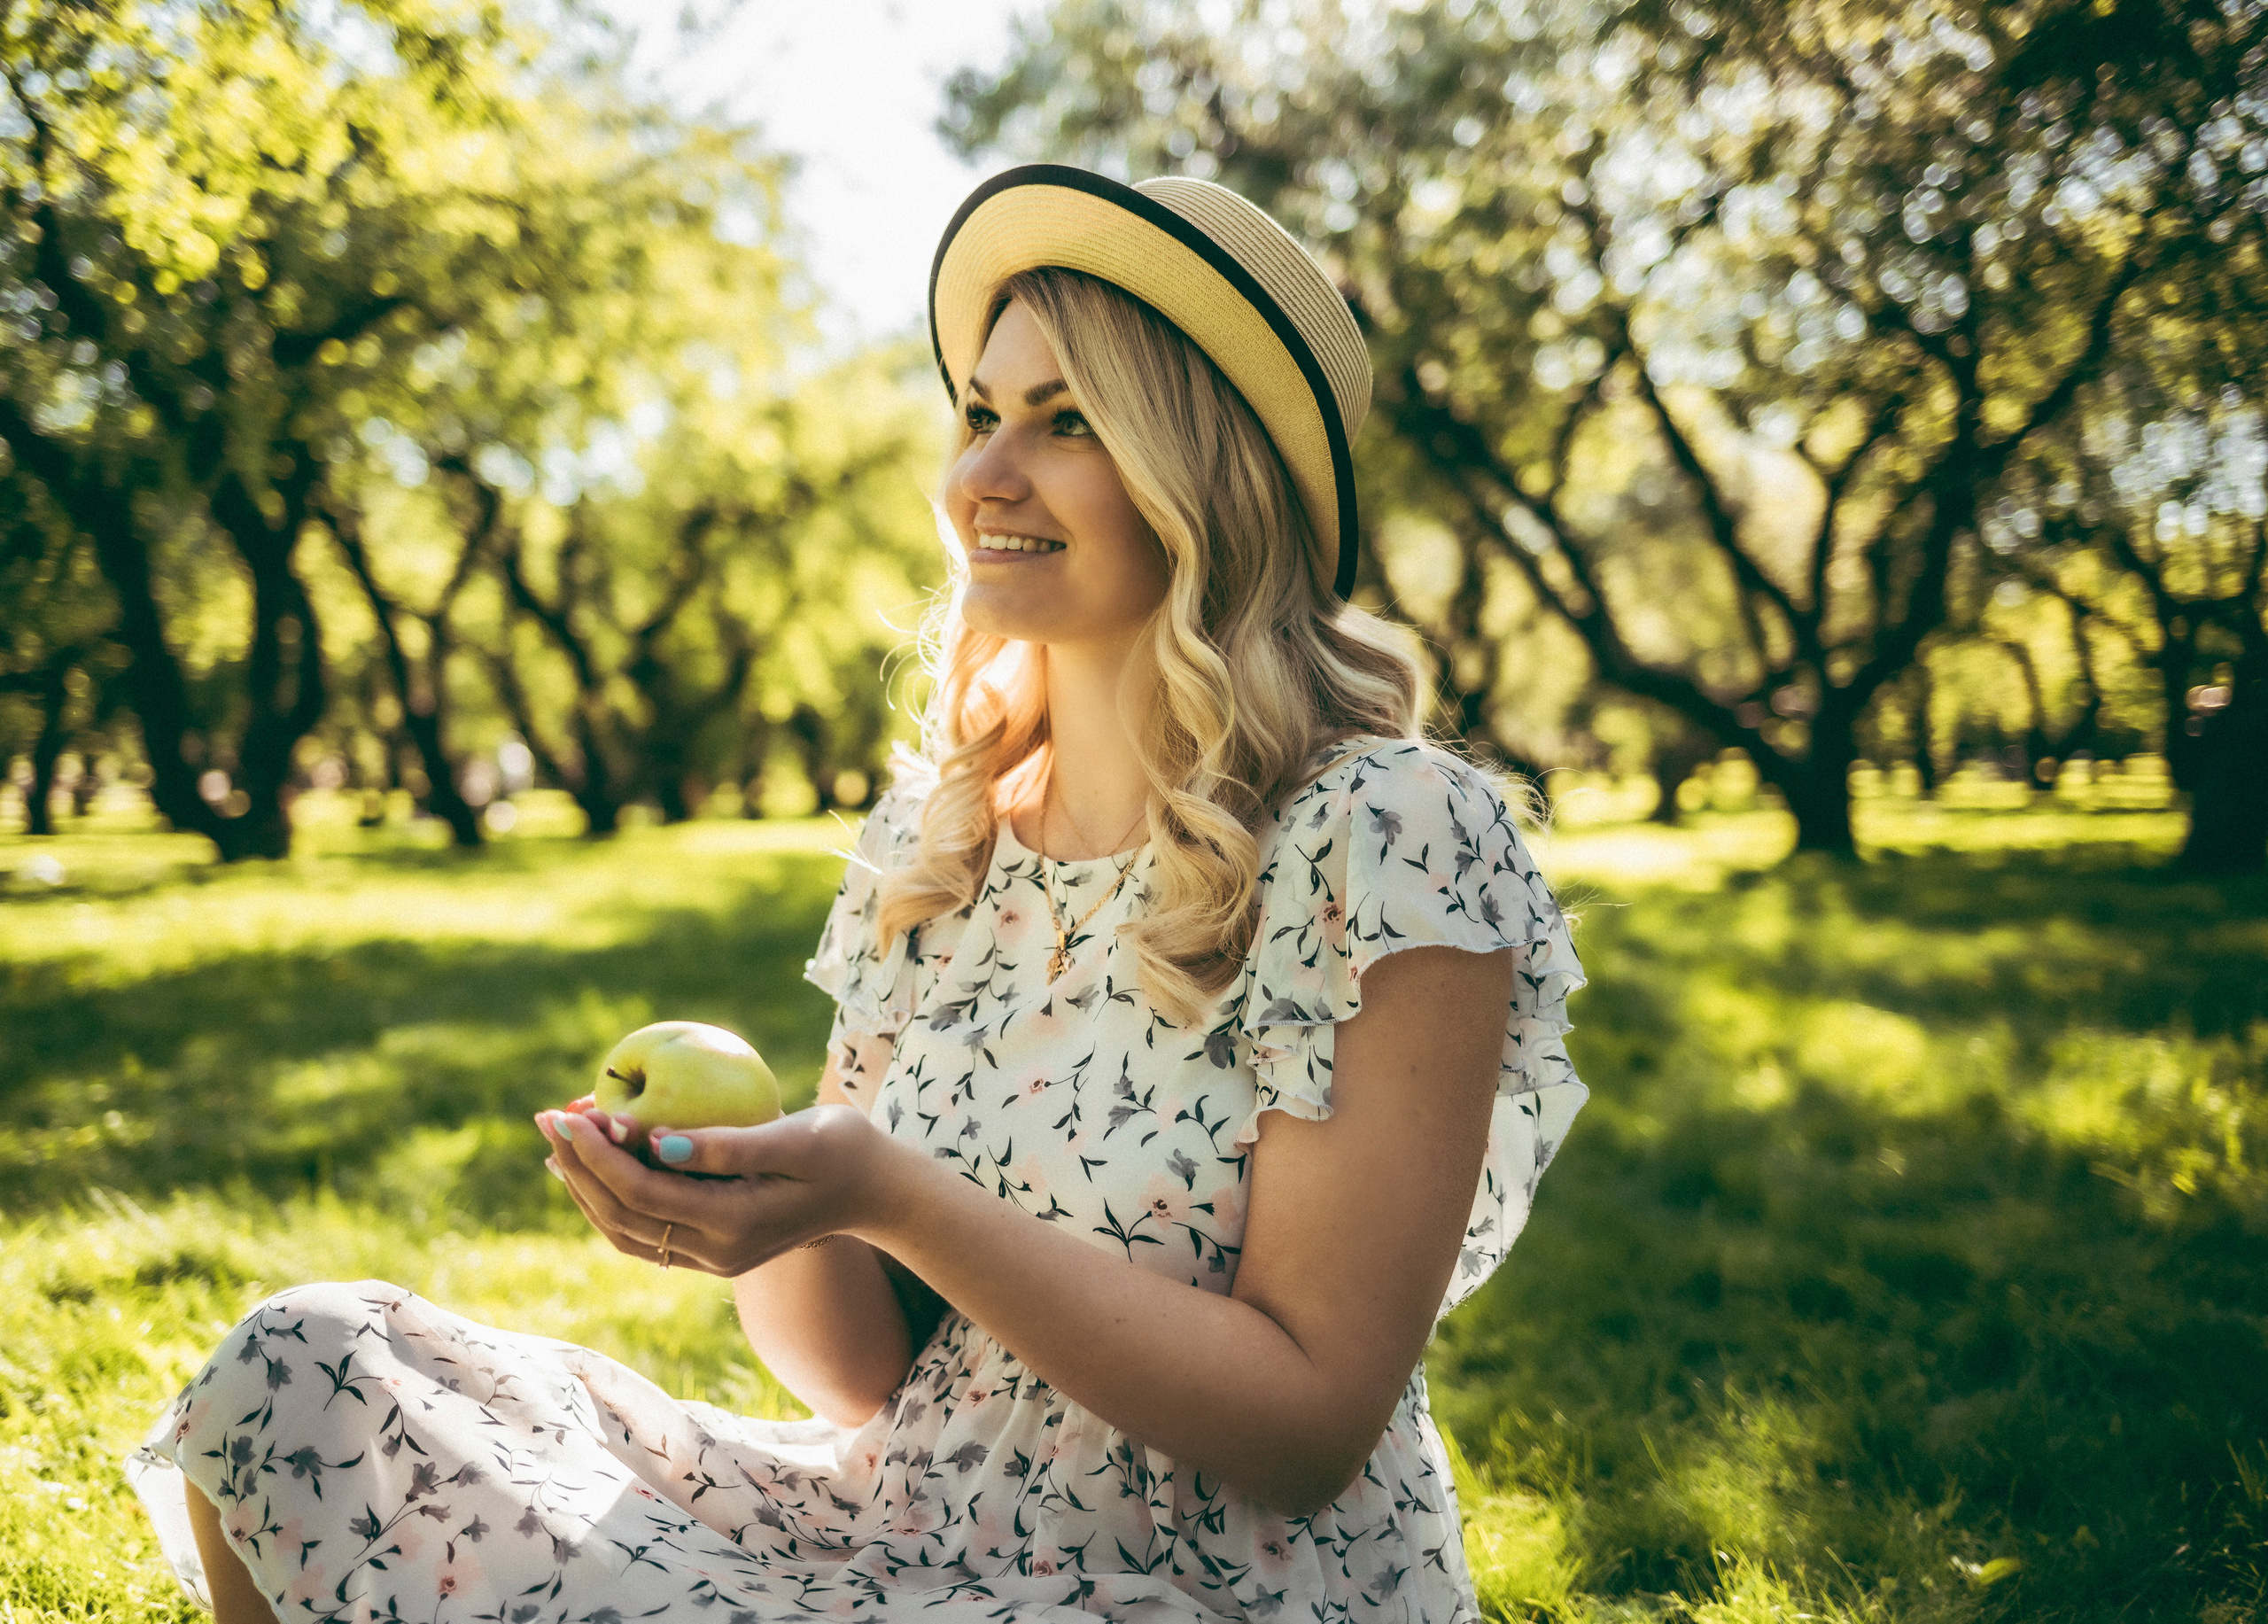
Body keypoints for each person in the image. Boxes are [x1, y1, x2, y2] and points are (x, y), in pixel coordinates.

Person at [126, 163, 1588, 1624]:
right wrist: (749, 1197)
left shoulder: (1384, 830)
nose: (982, 478)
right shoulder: (943, 833)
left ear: (1199, 468)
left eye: (1067, 421)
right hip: (907, 1525)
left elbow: (1311, 1423)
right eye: (978, 414)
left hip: (1215, 1587)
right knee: (300, 1368)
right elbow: (862, 1371)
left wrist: (895, 1192)